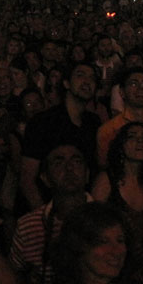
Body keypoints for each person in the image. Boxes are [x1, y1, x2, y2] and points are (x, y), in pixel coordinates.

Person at [10, 143, 94, 284]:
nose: (69, 168)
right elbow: (17, 277)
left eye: (76, 162)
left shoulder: (109, 220)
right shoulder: (28, 226)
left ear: (87, 174)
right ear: (45, 178)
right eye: (59, 163)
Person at [20, 63, 101, 209]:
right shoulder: (43, 122)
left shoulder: (93, 123)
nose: (87, 81)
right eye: (80, 75)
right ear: (66, 83)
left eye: (92, 78)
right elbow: (27, 177)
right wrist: (44, 217)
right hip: (48, 207)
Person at [91, 121, 143, 268]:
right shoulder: (107, 180)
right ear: (121, 145)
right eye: (132, 136)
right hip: (114, 258)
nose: (139, 141)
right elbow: (94, 223)